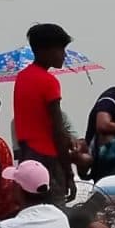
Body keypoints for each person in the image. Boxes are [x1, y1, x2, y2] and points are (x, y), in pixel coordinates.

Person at [12, 23, 87, 199]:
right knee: (55, 209)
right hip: (48, 158)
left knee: (32, 208)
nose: (64, 54)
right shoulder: (49, 82)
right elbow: (58, 130)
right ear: (45, 51)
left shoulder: (22, 78)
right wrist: (68, 173)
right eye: (61, 49)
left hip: (28, 157)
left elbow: (36, 121)